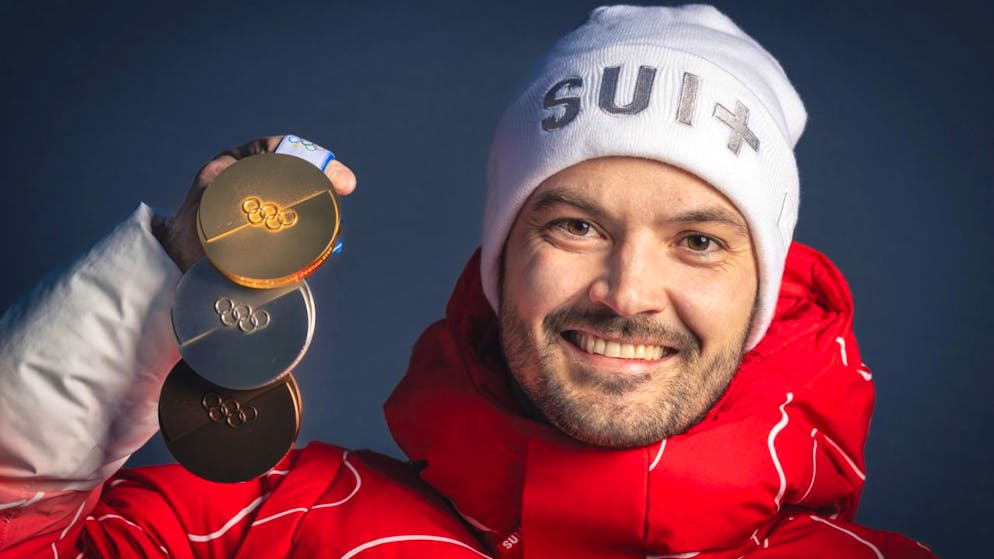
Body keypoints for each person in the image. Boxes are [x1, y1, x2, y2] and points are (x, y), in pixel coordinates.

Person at [0, 5, 937, 558]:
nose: (627, 290)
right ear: (499, 258)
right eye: (574, 224)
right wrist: (171, 271)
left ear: (765, 289)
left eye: (698, 240)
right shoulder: (274, 524)